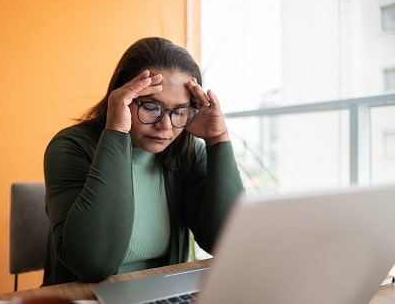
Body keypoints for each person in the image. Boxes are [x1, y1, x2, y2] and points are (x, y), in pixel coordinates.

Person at [42, 37, 244, 286]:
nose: (166, 126)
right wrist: (116, 129)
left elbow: (226, 241)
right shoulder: (71, 147)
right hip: (85, 297)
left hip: (163, 293)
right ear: (122, 98)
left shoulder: (187, 153)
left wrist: (218, 138)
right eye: (150, 107)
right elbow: (93, 262)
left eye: (179, 111)